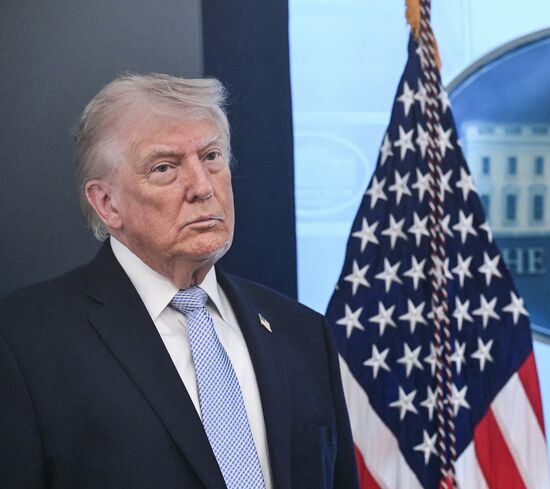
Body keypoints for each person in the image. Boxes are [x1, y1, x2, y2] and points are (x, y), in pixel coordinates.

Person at [0, 73, 359, 489]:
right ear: (107, 203)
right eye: (165, 167)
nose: (202, 187)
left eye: (211, 156)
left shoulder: (303, 333)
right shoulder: (25, 344)